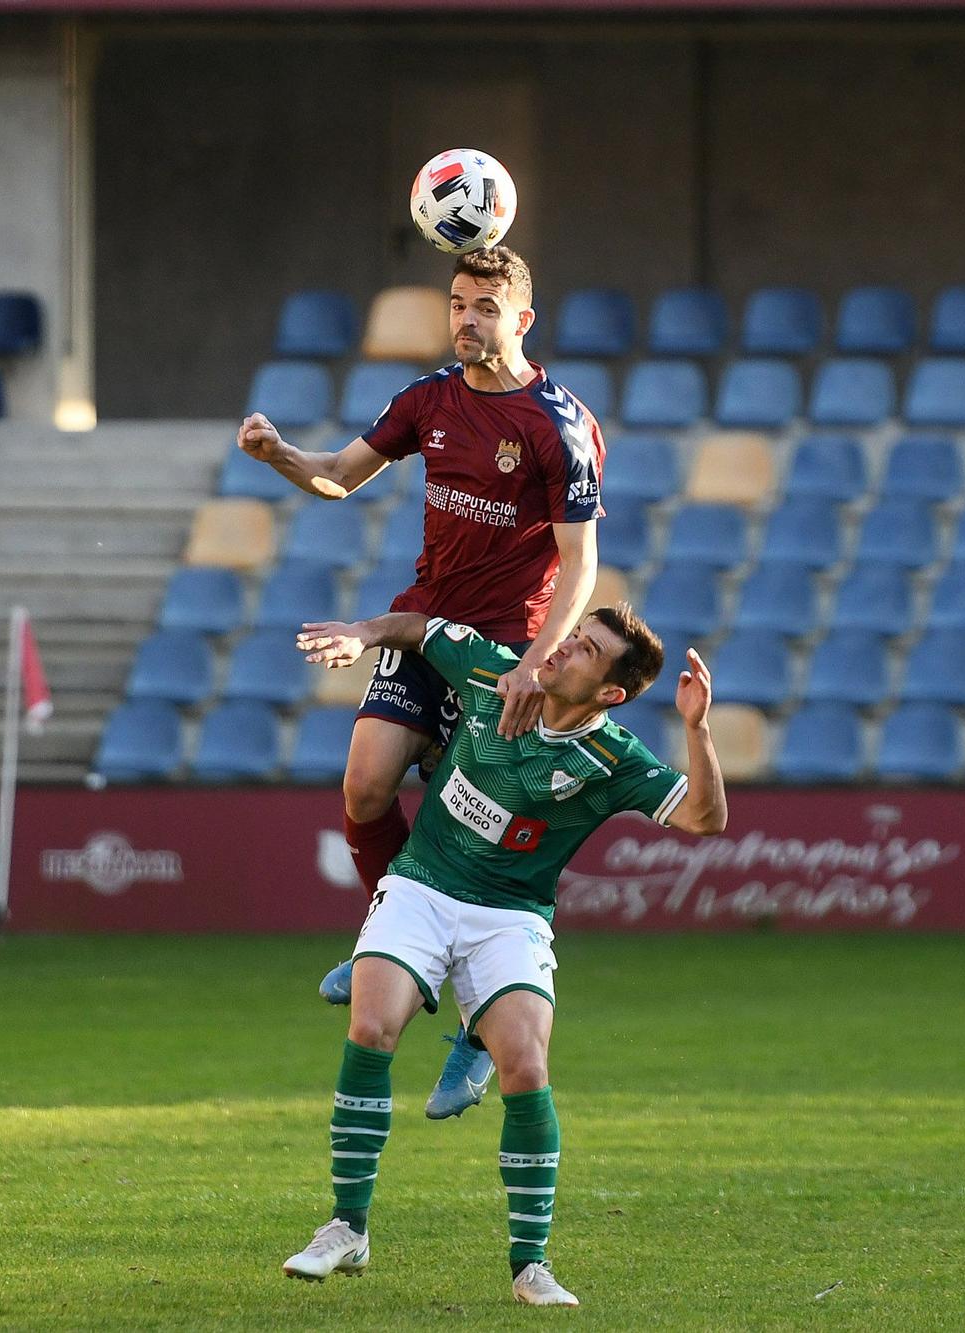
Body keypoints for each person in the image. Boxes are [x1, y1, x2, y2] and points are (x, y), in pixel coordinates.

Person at [236, 246, 604, 1117]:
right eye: (456, 303)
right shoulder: (428, 400)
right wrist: (279, 453)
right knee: (365, 782)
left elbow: (581, 566)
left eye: (484, 306)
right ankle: (385, 937)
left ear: (523, 318)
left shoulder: (561, 423)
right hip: (424, 621)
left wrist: (534, 664)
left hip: (504, 646)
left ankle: (481, 1031)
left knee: (477, 843)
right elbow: (341, 475)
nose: (466, 319)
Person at [280, 605, 727, 1306]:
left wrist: (697, 731)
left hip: (510, 917)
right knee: (371, 1027)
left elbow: (705, 817)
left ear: (610, 692)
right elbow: (419, 628)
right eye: (574, 633)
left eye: (585, 650)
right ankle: (346, 1226)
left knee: (527, 1065)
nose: (564, 647)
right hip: (421, 885)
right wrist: (361, 635)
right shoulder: (496, 673)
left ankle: (530, 1266)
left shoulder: (613, 757)